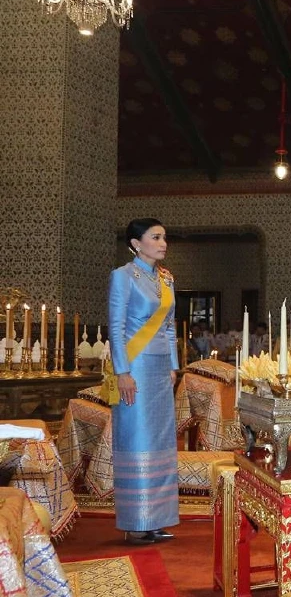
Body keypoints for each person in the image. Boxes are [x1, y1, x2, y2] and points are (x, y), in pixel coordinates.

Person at [109, 218, 180, 546]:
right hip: (134, 367)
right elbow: (116, 326)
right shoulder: (123, 276)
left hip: (160, 369)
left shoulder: (166, 279)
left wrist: (173, 366)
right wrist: (122, 372)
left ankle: (157, 519)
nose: (163, 243)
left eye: (164, 237)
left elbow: (169, 326)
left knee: (160, 442)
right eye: (156, 237)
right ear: (137, 244)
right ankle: (136, 522)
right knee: (137, 439)